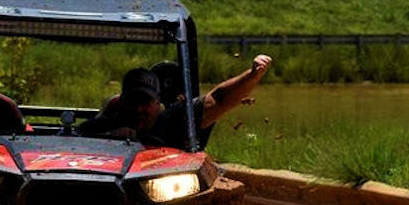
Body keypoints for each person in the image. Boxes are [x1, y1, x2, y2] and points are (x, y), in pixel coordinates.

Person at [78, 54, 272, 148]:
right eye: (132, 101)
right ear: (121, 101)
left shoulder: (177, 118)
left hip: (164, 195)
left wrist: (252, 76)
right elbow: (72, 143)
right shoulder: (102, 126)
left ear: (157, 103)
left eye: (145, 101)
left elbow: (218, 99)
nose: (138, 109)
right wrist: (109, 137)